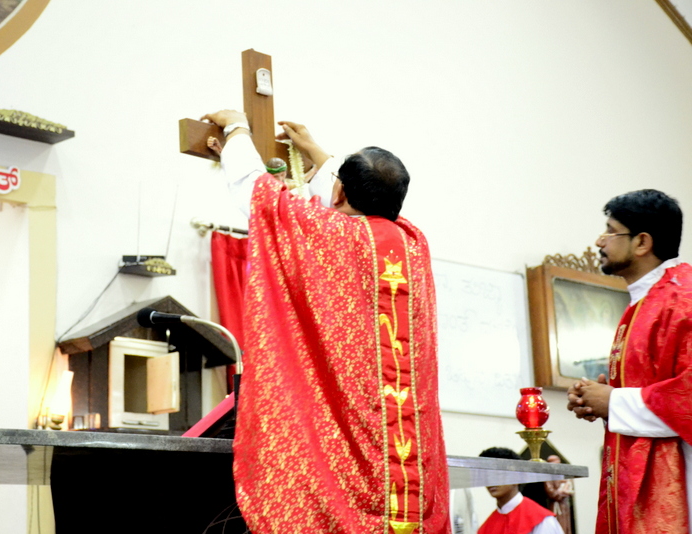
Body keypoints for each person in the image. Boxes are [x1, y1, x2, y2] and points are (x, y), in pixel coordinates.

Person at [200, 110, 450, 533]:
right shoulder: (412, 244)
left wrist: (238, 127)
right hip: (406, 469)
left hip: (349, 457)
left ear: (338, 192)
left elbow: (258, 193)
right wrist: (319, 155)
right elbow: (361, 202)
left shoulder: (330, 235)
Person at [567, 189, 691, 534]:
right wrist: (598, 399)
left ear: (642, 243)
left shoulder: (682, 300)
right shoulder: (646, 300)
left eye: (610, 231)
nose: (599, 241)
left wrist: (614, 402)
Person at [477, 447, 563, 534]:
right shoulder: (486, 527)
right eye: (486, 475)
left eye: (498, 474)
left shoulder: (540, 520)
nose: (491, 481)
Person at [543, 455, 573, 534]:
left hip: (565, 505)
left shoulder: (563, 475)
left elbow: (570, 488)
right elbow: (550, 492)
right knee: (558, 525)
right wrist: (561, 493)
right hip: (555, 505)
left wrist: (568, 491)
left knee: (566, 526)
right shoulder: (548, 477)